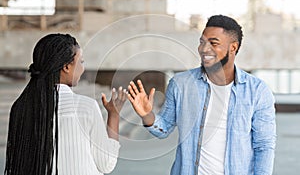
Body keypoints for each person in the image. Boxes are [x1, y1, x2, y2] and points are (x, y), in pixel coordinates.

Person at [127, 15, 276, 175]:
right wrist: (147, 115)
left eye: (213, 43)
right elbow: (163, 129)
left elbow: (264, 145)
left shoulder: (257, 91)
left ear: (233, 48)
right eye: (202, 42)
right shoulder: (180, 84)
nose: (204, 49)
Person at [4, 33, 126, 175]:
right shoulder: (86, 107)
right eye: (81, 61)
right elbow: (106, 164)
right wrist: (114, 115)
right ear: (66, 67)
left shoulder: (21, 107)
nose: (83, 68)